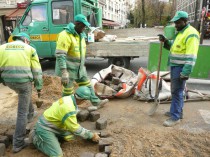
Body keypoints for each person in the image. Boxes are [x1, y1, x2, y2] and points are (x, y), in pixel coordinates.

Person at [0, 32, 43, 153]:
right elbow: (36, 70)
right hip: (23, 82)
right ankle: (18, 143)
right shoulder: (30, 49)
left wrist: (3, 80)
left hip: (9, 81)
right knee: (21, 112)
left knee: (24, 95)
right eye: (28, 41)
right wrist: (39, 87)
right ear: (25, 40)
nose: (28, 43)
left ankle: (31, 114)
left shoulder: (2, 48)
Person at [28, 86, 100, 157]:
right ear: (83, 100)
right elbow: (75, 128)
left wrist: (87, 134)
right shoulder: (68, 107)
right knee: (57, 154)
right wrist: (91, 135)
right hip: (45, 128)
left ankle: (53, 138)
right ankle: (35, 139)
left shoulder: (69, 98)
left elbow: (72, 118)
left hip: (55, 125)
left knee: (70, 137)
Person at [55, 14, 108, 108]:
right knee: (68, 92)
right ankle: (67, 110)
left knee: (88, 85)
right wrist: (64, 72)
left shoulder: (80, 35)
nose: (84, 28)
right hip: (68, 70)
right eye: (83, 26)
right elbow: (60, 55)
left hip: (80, 69)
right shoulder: (65, 35)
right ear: (77, 24)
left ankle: (96, 102)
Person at [158, 11, 200, 127]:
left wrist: (186, 71)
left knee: (176, 92)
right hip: (175, 66)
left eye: (178, 22)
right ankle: (176, 112)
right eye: (175, 23)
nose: (175, 25)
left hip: (180, 68)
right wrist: (166, 41)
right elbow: (175, 47)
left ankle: (175, 117)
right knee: (176, 91)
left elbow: (191, 56)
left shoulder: (191, 34)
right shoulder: (181, 32)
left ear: (185, 21)